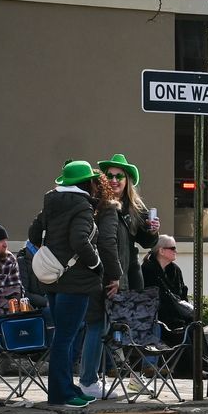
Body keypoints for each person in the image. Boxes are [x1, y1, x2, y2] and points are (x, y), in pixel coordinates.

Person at [29, 160, 110, 408]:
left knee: (62, 337)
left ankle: (66, 388)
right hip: (76, 282)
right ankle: (61, 395)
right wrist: (97, 265)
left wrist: (56, 252)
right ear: (87, 183)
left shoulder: (51, 204)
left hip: (53, 280)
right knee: (66, 338)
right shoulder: (82, 207)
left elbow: (34, 234)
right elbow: (80, 240)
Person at [84, 154, 156, 396]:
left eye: (120, 176)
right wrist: (112, 277)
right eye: (110, 176)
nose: (114, 180)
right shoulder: (100, 205)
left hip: (130, 276)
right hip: (107, 277)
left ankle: (133, 379)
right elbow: (105, 244)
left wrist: (153, 231)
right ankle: (90, 380)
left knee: (132, 328)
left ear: (128, 181)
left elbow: (145, 242)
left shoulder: (135, 208)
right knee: (101, 327)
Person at [141, 235, 192, 346]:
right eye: (173, 248)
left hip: (178, 316)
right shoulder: (147, 270)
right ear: (161, 251)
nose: (176, 251)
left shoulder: (175, 270)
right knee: (182, 333)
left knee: (195, 326)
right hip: (158, 319)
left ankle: (202, 362)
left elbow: (183, 294)